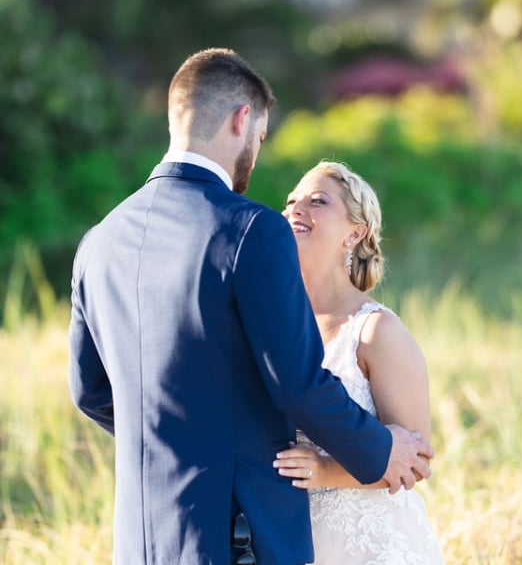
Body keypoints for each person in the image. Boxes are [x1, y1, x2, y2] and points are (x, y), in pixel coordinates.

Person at [68, 48, 434, 565]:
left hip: (141, 540)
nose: (256, 156)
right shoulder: (249, 229)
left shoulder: (98, 243)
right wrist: (380, 451)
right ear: (243, 120)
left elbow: (89, 392)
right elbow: (297, 383)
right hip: (238, 535)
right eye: (261, 139)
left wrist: (180, 442)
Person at [274, 161, 444, 564]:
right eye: (291, 201)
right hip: (290, 541)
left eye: (318, 201)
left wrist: (324, 471)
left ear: (355, 232)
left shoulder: (375, 331)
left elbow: (416, 461)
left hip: (369, 546)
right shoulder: (273, 327)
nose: (296, 209)